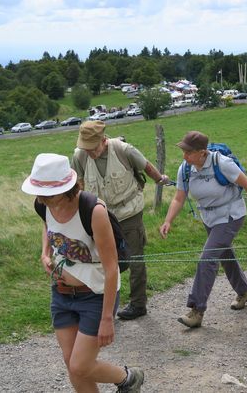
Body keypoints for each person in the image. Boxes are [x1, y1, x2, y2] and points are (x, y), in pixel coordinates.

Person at [21, 153, 144, 392]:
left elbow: (111, 268)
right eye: (40, 193)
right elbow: (48, 225)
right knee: (71, 363)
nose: (42, 199)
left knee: (80, 365)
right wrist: (45, 253)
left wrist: (108, 318)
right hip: (61, 293)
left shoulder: (93, 210)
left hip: (95, 296)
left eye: (48, 194)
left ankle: (128, 378)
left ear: (66, 188)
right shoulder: (43, 204)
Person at [159, 131, 247, 328]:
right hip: (209, 218)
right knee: (224, 254)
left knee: (208, 258)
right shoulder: (185, 169)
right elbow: (179, 197)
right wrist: (168, 220)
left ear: (203, 152)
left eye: (188, 152)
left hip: (231, 215)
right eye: (183, 151)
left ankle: (196, 309)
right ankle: (244, 291)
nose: (184, 156)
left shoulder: (222, 163)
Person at [72, 120, 169, 320]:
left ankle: (138, 304)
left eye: (92, 148)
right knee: (99, 260)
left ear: (103, 140)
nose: (89, 152)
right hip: (99, 216)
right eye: (86, 148)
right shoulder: (79, 156)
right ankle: (99, 306)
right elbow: (79, 185)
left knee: (134, 258)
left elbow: (147, 167)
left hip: (129, 213)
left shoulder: (124, 150)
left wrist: (160, 179)